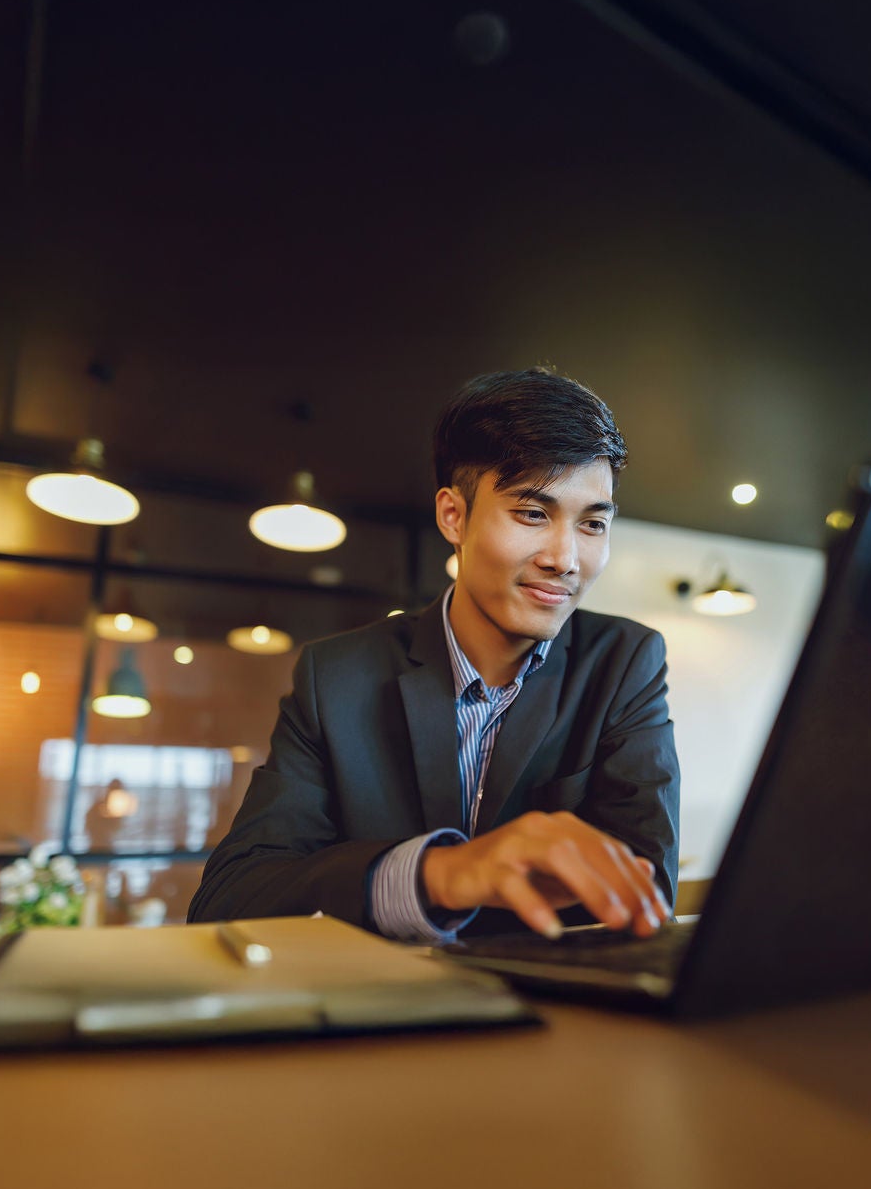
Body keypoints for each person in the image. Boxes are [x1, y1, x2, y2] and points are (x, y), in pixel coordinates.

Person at [190, 368, 680, 942]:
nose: (566, 558)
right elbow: (231, 898)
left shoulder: (624, 663)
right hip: (373, 1015)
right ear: (454, 516)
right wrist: (439, 874)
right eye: (532, 513)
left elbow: (646, 901)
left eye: (593, 523)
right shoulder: (337, 677)